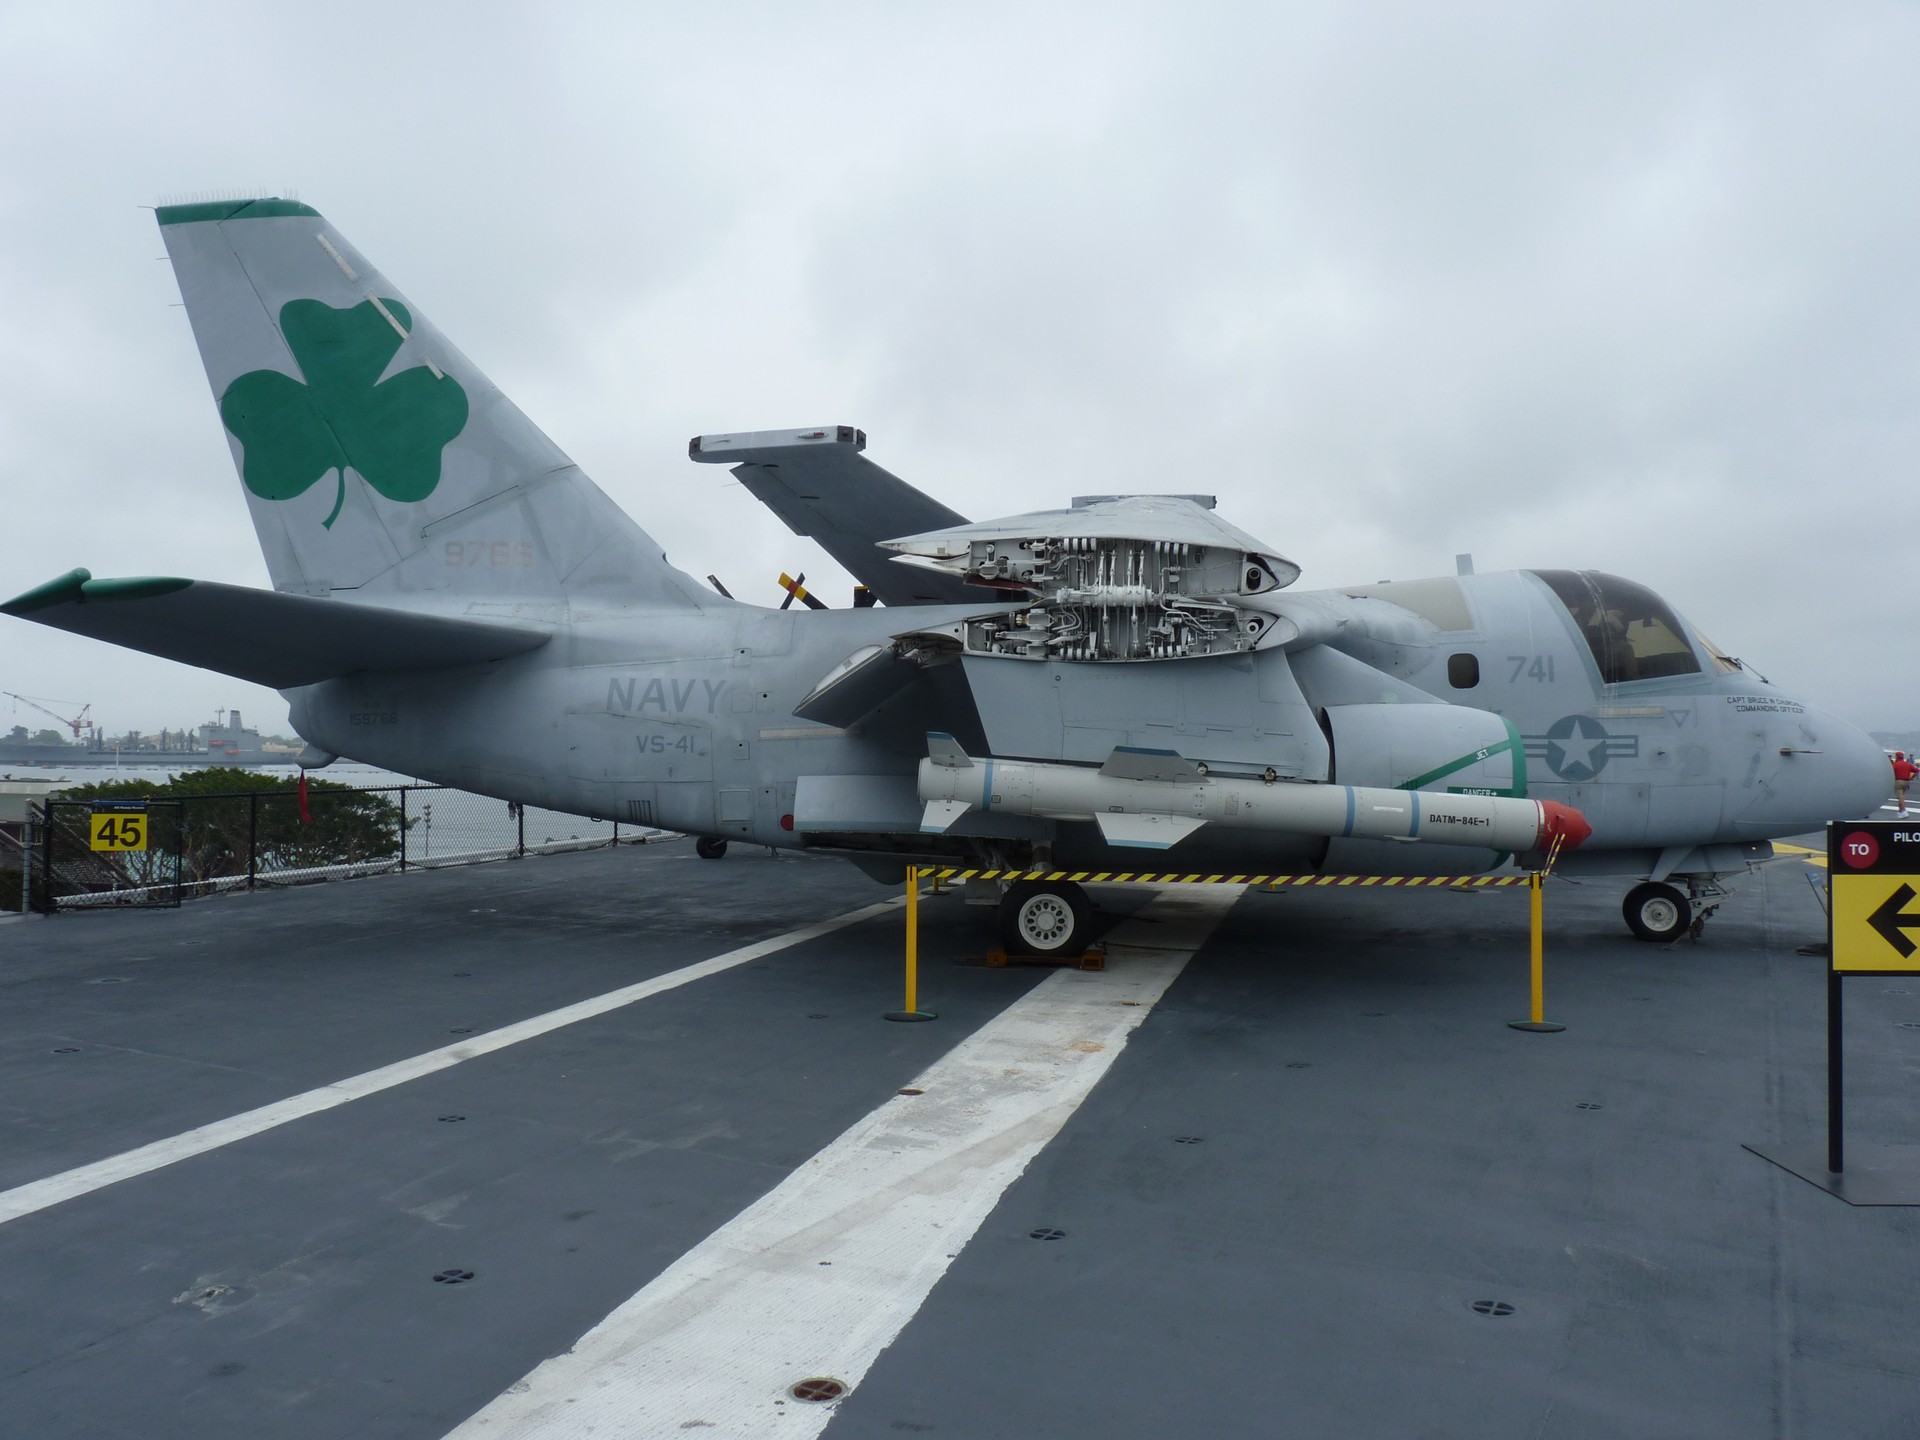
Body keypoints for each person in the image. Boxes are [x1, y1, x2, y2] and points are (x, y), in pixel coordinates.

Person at [1894, 751, 1918, 816]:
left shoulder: (1895, 764)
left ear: (1896, 757)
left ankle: (1904, 811)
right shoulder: (1908, 764)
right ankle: (1900, 811)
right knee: (1901, 796)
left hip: (1898, 781)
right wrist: (1911, 778)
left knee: (1900, 797)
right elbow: (1916, 771)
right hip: (1906, 782)